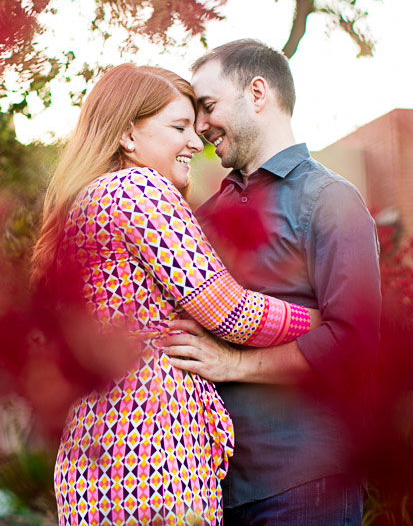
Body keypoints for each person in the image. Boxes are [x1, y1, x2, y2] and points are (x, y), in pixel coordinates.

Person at [31, 63, 325, 526]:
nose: (196, 141)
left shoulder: (82, 204)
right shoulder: (136, 188)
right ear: (128, 136)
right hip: (149, 460)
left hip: (98, 460)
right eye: (179, 127)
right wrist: (322, 322)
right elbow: (228, 312)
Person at [158, 39, 382, 526]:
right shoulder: (203, 216)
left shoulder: (329, 200)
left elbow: (352, 341)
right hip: (213, 486)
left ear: (257, 93)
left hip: (303, 481)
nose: (200, 126)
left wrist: (234, 364)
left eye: (209, 106)